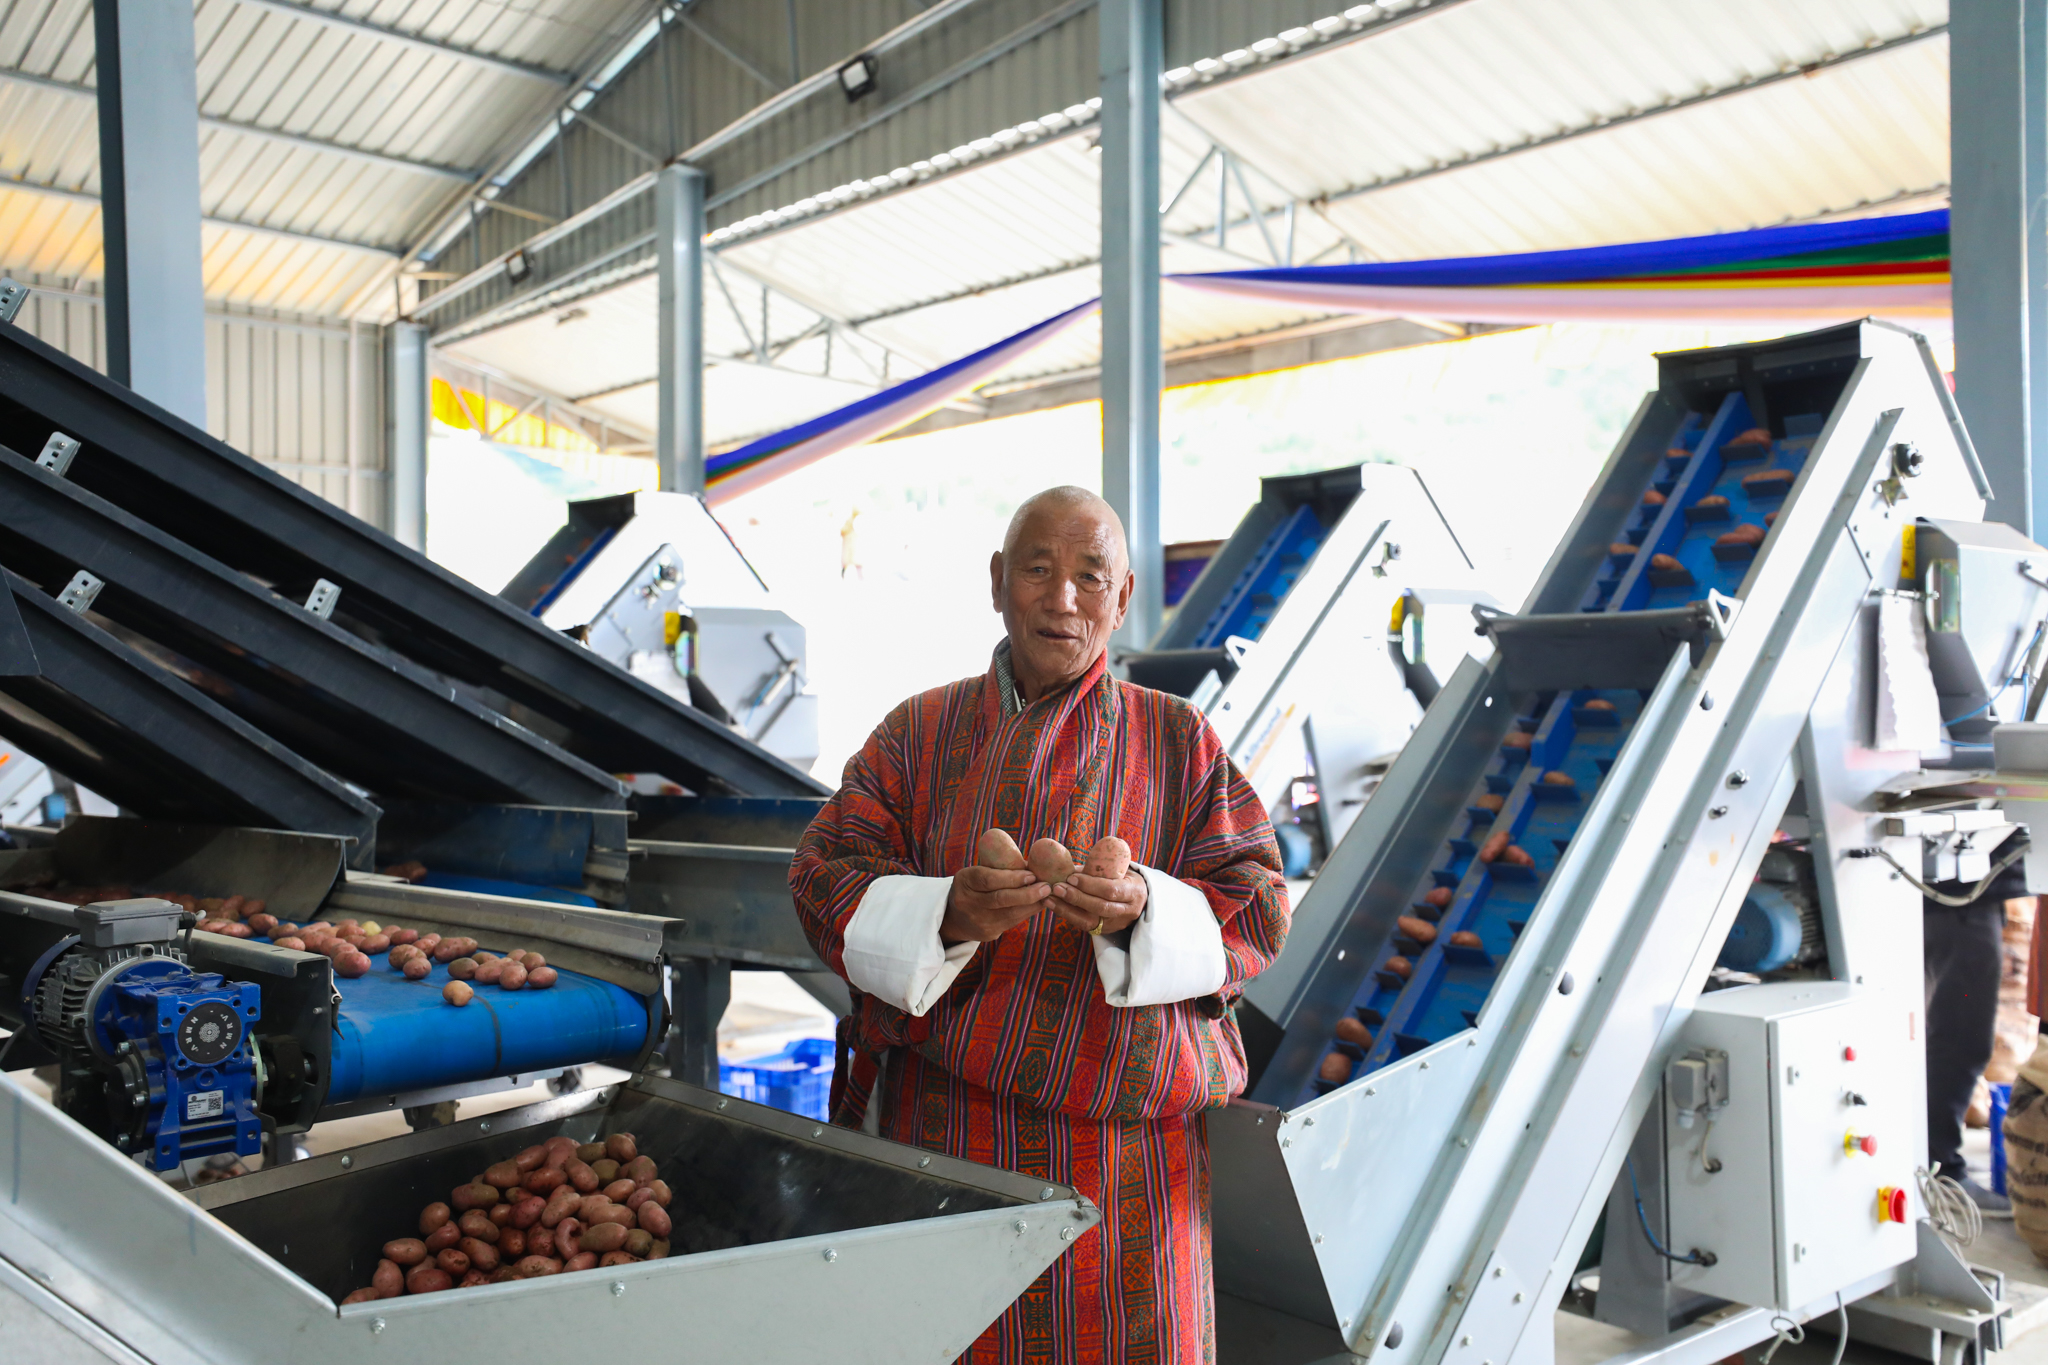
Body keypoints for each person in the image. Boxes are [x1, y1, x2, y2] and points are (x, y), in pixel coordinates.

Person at [789, 486, 1291, 1362]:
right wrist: (948, 909)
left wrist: (1143, 906)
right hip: (949, 1137)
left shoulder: (1179, 740)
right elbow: (823, 874)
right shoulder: (918, 733)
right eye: (1038, 570)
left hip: (1133, 1165)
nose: (1063, 598)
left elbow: (1257, 901)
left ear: (1124, 596)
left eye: (1090, 577)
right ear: (997, 583)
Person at [1925, 828, 2024, 1217]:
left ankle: (1933, 1164)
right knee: (1961, 1035)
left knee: (1951, 1031)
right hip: (1953, 888)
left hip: (1960, 881)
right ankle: (1940, 1172)